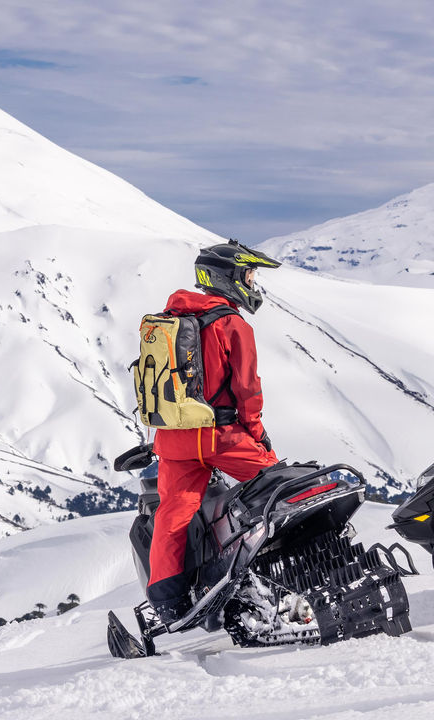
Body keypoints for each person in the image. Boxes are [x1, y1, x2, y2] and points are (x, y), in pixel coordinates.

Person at [146, 241, 282, 624]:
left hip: (174, 439)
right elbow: (247, 390)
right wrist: (257, 435)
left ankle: (168, 602)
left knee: (172, 516)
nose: (253, 284)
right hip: (219, 436)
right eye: (250, 276)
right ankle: (273, 574)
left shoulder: (169, 318)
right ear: (230, 278)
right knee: (279, 490)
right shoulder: (231, 324)